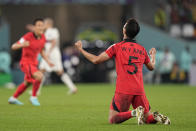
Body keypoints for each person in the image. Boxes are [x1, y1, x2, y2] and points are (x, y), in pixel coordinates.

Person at [75, 18, 170, 125]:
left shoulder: (117, 47)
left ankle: (135, 112)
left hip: (124, 89)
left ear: (124, 30)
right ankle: (157, 117)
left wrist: (81, 49)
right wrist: (153, 56)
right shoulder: (142, 49)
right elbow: (151, 67)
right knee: (148, 119)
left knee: (113, 119)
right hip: (139, 89)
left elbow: (96, 60)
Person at [8, 18, 53, 106]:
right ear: (34, 27)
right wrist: (22, 45)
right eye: (38, 25)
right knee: (39, 76)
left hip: (33, 64)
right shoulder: (27, 36)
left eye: (42, 25)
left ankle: (13, 98)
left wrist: (48, 61)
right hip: (25, 63)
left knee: (27, 83)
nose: (40, 27)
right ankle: (33, 97)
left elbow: (41, 51)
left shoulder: (43, 37)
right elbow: (13, 46)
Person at [38, 18, 77, 94]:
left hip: (53, 54)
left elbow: (54, 42)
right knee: (42, 70)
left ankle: (73, 88)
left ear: (48, 24)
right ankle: (36, 91)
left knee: (59, 71)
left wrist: (48, 52)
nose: (43, 25)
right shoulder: (45, 32)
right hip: (48, 53)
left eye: (44, 24)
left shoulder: (54, 31)